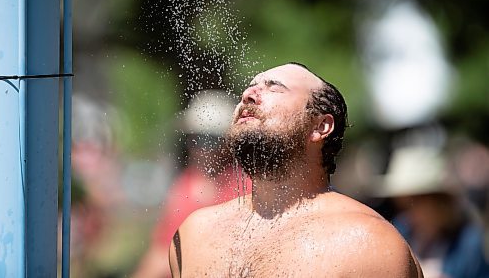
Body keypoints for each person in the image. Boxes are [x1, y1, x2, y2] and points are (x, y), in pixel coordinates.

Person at [169, 63, 423, 277]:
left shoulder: (369, 243)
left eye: (274, 87)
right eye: (249, 87)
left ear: (321, 126)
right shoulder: (195, 233)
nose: (248, 95)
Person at [133, 90, 251, 278]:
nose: (202, 148)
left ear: (229, 142)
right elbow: (161, 252)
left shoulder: (247, 187)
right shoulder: (183, 186)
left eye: (211, 140)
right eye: (196, 138)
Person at [375, 145, 489, 278]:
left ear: (438, 201)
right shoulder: (399, 230)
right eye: (402, 203)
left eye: (414, 201)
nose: (408, 212)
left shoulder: (468, 242)